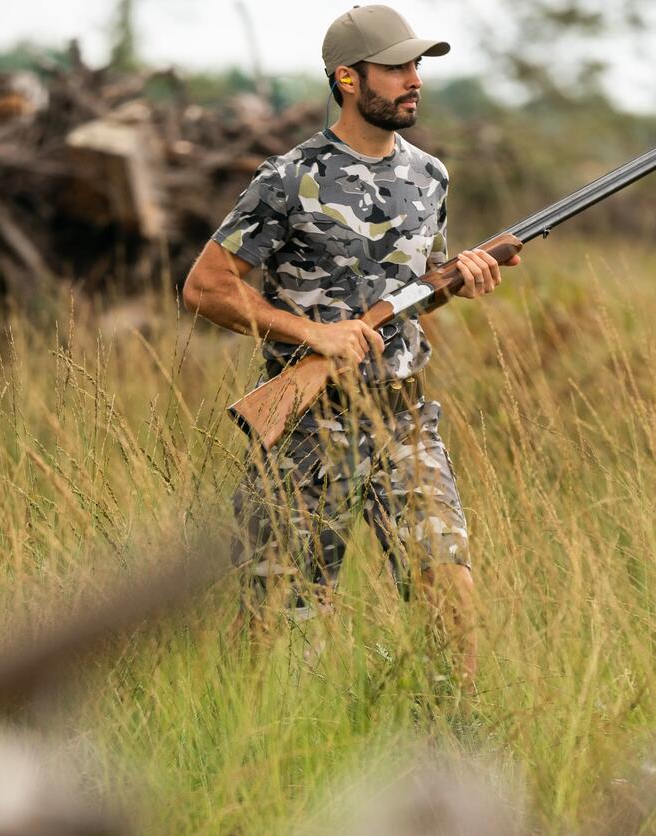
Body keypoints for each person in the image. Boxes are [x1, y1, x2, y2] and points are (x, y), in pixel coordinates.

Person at [182, 4, 520, 683]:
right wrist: (313, 334)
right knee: (278, 623)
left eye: (416, 65)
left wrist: (464, 278)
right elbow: (206, 287)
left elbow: (412, 295)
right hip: (311, 426)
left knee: (449, 589)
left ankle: (450, 741)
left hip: (404, 418)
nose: (413, 79)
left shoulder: (431, 177)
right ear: (347, 78)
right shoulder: (290, 177)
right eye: (395, 67)